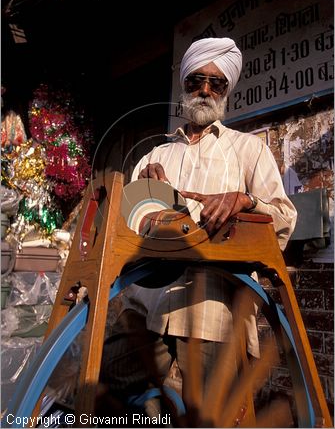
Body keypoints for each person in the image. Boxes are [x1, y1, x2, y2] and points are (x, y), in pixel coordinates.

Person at [101, 37, 297, 417]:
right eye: (196, 81)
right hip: (147, 306)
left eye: (216, 83)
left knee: (203, 417)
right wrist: (143, 190)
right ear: (184, 86)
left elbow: (285, 218)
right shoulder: (155, 155)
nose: (205, 90)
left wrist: (245, 201)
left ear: (226, 91)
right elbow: (124, 224)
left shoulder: (247, 150)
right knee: (110, 394)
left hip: (213, 312)